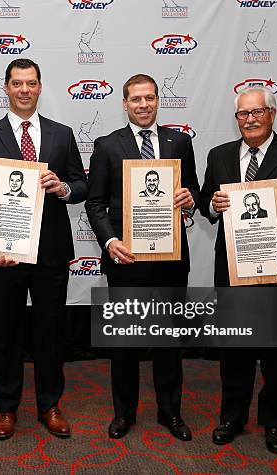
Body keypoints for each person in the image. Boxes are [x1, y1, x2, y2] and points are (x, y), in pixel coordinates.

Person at [198, 86, 277, 453]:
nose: (250, 119)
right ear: (236, 118)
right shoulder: (219, 155)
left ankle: (274, 422)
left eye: (257, 112)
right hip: (233, 272)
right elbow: (206, 201)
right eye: (242, 114)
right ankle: (232, 418)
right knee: (234, 351)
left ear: (272, 113)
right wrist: (212, 204)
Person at [0, 58, 87, 440]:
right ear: (5, 87)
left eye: (31, 83)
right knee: (6, 332)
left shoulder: (62, 134)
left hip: (51, 251)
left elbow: (80, 186)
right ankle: (5, 408)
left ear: (40, 87)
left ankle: (49, 405)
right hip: (6, 253)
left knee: (51, 332)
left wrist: (63, 188)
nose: (24, 90)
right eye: (17, 83)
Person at [85, 74, 199, 440]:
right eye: (136, 99)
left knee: (168, 341)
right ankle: (124, 414)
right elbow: (95, 202)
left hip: (169, 259)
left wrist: (189, 199)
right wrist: (109, 241)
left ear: (157, 100)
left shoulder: (179, 141)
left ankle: (170, 413)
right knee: (125, 342)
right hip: (126, 259)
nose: (144, 105)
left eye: (149, 98)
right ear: (125, 103)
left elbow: (193, 187)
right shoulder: (107, 145)